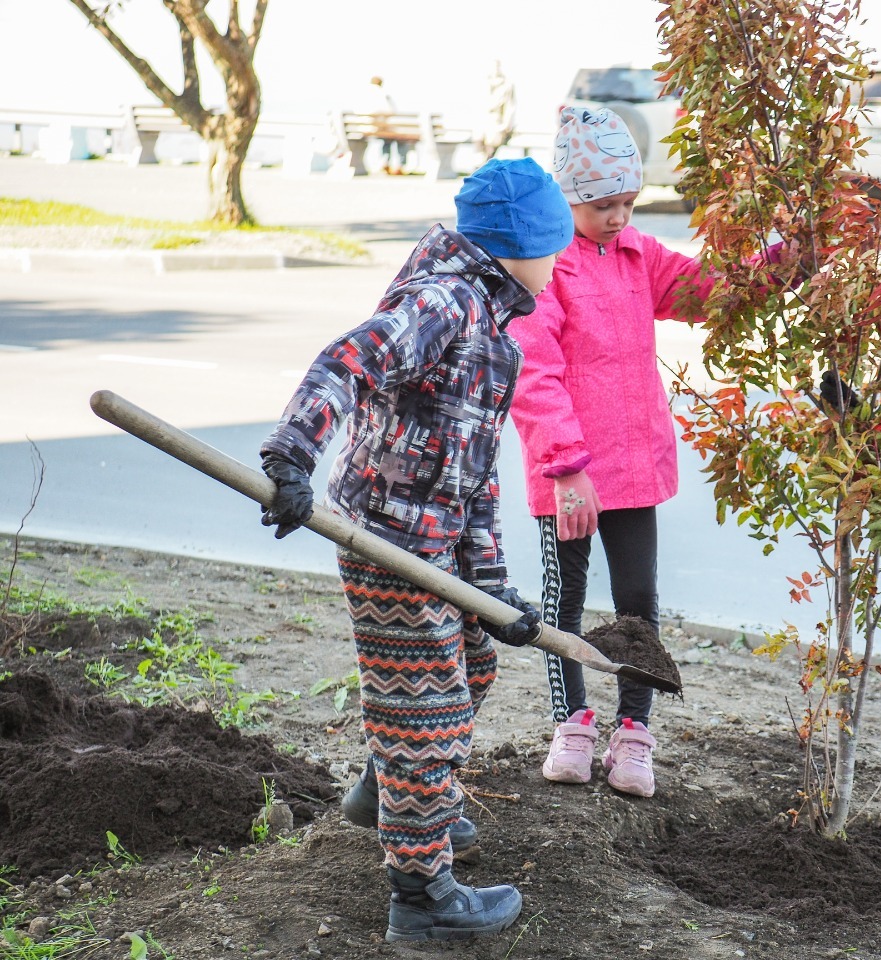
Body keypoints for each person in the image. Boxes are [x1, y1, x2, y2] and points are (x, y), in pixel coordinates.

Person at [258, 157, 573, 942]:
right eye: (552, 245)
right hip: (386, 542)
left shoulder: (491, 326)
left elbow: (473, 478)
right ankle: (423, 897)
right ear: (514, 246)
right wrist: (293, 454)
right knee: (425, 716)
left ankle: (390, 786)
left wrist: (494, 594)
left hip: (436, 543)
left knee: (477, 665)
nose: (559, 261)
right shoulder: (446, 303)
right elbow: (350, 358)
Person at [506, 107, 786, 799]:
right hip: (568, 474)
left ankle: (633, 732)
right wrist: (567, 468)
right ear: (566, 197)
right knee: (562, 604)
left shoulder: (639, 255)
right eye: (602, 205)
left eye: (628, 203)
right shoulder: (547, 267)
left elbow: (715, 294)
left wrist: (789, 257)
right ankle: (572, 723)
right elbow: (533, 373)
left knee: (637, 604)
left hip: (632, 468)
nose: (617, 217)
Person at [362, 75, 401, 174]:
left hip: (359, 127)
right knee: (394, 138)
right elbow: (391, 111)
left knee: (388, 139)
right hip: (375, 127)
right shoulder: (382, 94)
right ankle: (394, 164)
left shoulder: (362, 94)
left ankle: (385, 163)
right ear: (381, 83)